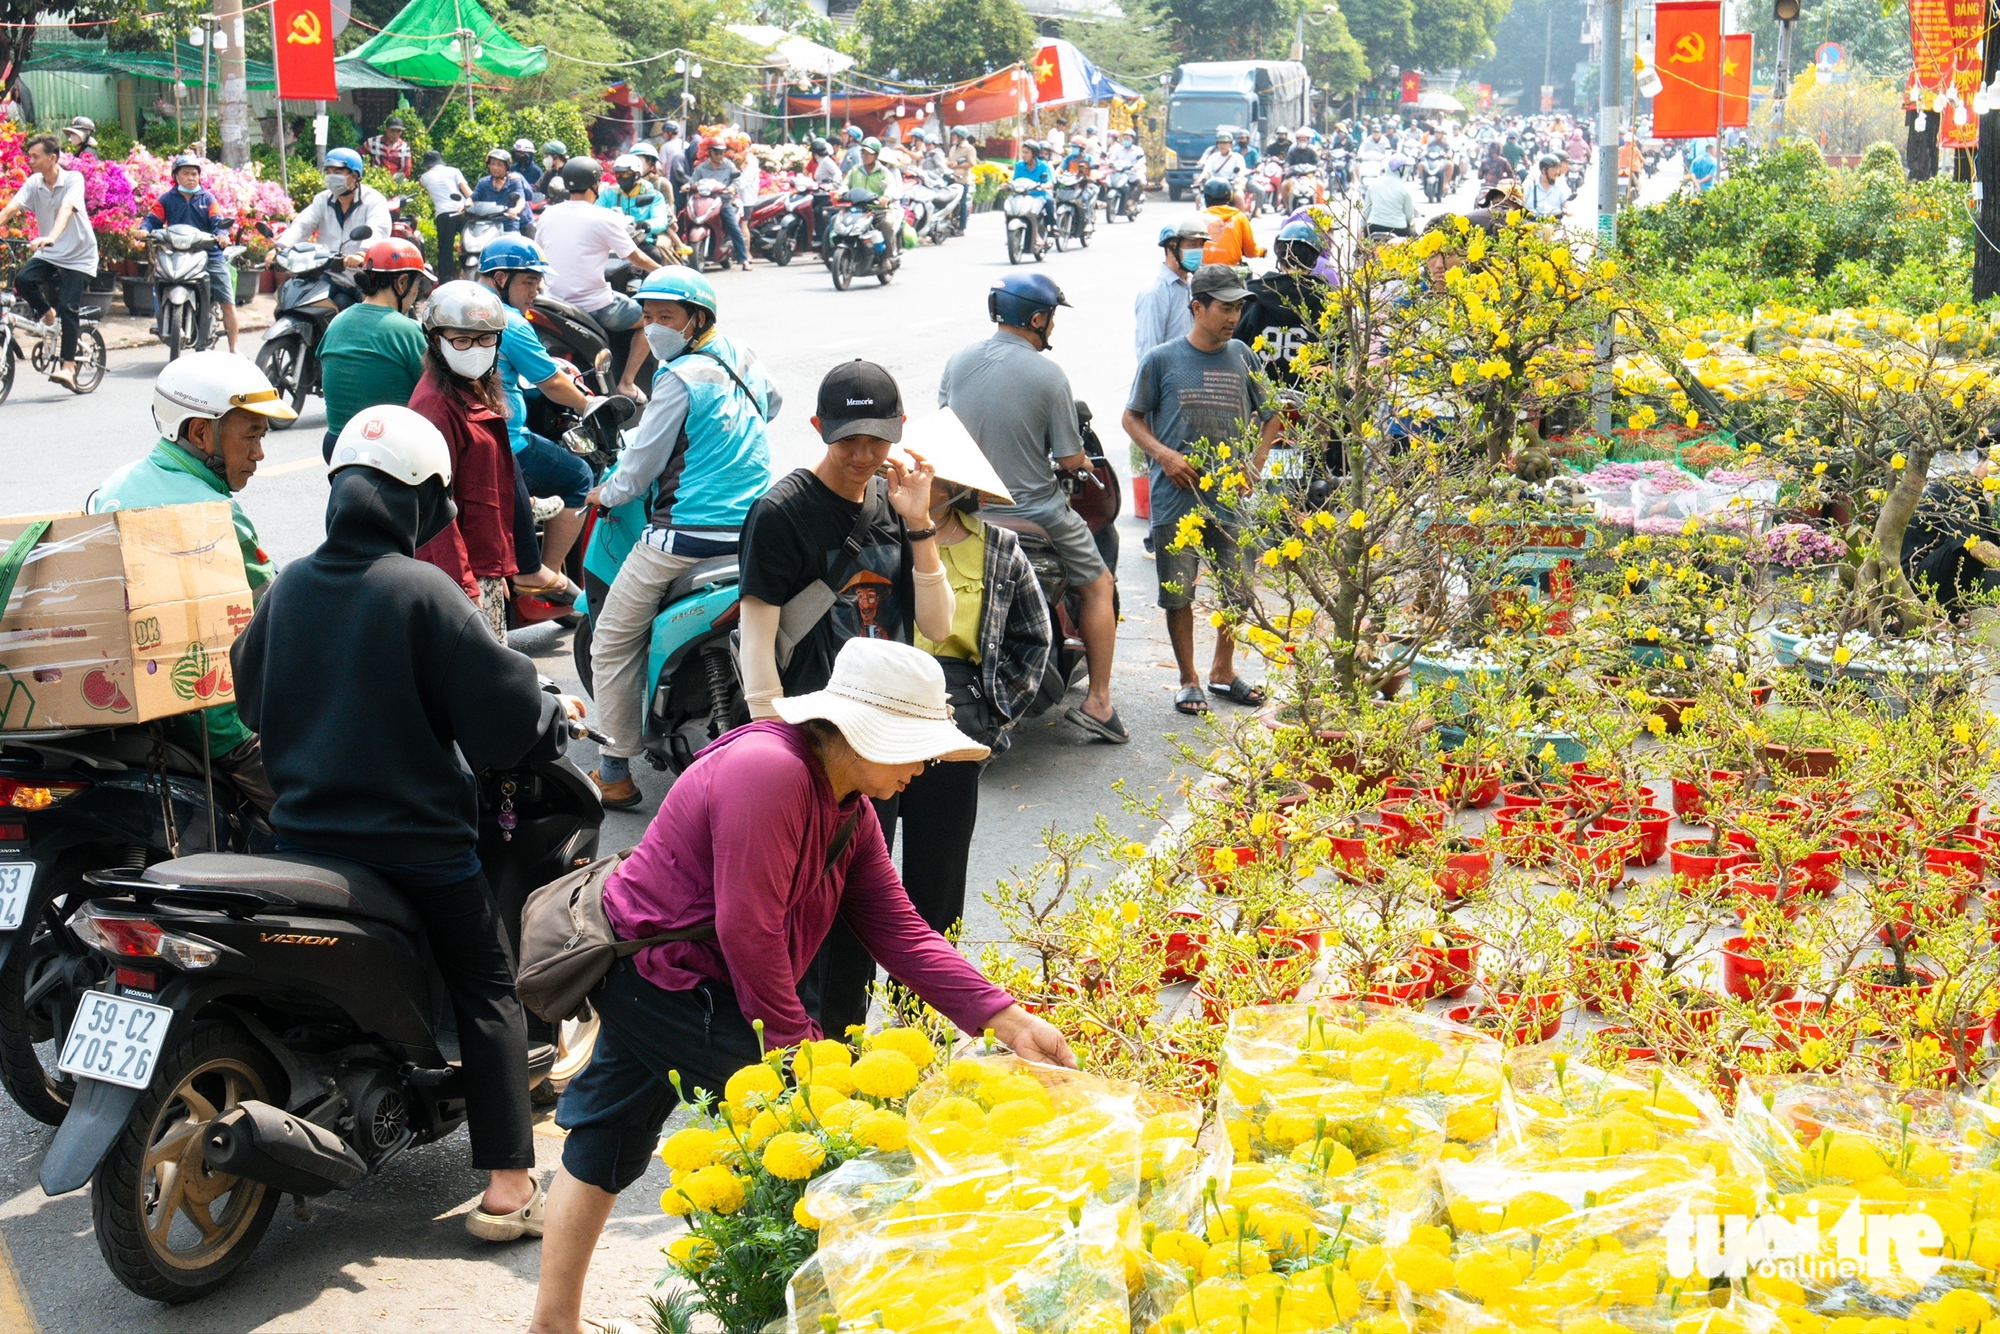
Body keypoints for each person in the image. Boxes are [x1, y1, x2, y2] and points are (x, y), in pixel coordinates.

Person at [527, 637, 1071, 1334]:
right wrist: (798, 1057)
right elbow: (749, 931)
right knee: (829, 1147)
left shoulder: (851, 808)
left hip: (684, 977)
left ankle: (551, 1324)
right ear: (863, 733)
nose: (924, 766)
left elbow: (900, 930)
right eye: (916, 749)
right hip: (666, 977)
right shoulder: (769, 772)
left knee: (608, 1135)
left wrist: (1009, 1021)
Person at [235, 403, 586, 1246]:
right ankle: (508, 1186)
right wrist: (552, 718)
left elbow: (250, 697)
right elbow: (503, 718)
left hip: (302, 843)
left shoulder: (290, 586)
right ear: (422, 500)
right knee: (489, 985)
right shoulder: (424, 591)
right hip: (418, 851)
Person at [736, 361, 957, 1038]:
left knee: (860, 906)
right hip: (815, 744)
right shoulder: (781, 512)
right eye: (848, 440)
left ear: (900, 430)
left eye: (877, 439)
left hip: (882, 743)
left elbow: (937, 624)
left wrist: (919, 524)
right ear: (818, 429)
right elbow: (757, 638)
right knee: (806, 911)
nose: (864, 455)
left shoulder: (896, 506)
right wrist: (773, 741)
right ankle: (800, 1048)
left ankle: (847, 1045)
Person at [585, 268, 778, 809]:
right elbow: (773, 404)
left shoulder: (677, 377)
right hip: (752, 532)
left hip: (686, 537)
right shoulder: (743, 356)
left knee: (612, 640)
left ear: (697, 319)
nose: (653, 328)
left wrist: (605, 493)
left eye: (665, 317)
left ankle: (614, 771)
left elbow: (639, 468)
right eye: (647, 317)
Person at [88, 352, 297, 810]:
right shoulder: (217, 514)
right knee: (316, 813)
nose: (259, 453)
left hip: (130, 706)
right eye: (251, 435)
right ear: (201, 432)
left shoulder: (113, 487)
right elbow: (274, 613)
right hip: (216, 721)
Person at [940, 274, 1125, 751]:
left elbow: (945, 429)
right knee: (1099, 585)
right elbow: (1068, 456)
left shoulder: (958, 361)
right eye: (1052, 318)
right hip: (1037, 514)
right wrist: (1083, 464)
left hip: (967, 511)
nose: (1053, 326)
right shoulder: (1049, 375)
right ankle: (1100, 703)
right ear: (1037, 318)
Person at [1124, 264, 1283, 719]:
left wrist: (1254, 464)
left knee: (1238, 589)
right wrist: (1165, 456)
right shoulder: (1161, 360)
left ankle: (1223, 669)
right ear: (1198, 307)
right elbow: (1132, 418)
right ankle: (1188, 678)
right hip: (1176, 497)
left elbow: (1272, 414)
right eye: (1225, 308)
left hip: (1230, 498)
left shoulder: (1243, 356)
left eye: (1238, 308)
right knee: (1178, 592)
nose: (1233, 317)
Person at [477, 237, 593, 591]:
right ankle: (546, 573)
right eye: (529, 281)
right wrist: (590, 406)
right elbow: (553, 382)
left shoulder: (459, 306)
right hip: (506, 442)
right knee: (580, 477)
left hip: (465, 434)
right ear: (501, 278)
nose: (536, 291)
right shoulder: (509, 322)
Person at [408, 281, 521, 637]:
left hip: (480, 564)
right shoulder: (435, 405)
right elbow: (434, 510)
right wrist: (467, 586)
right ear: (435, 340)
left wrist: (496, 569)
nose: (475, 349)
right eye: (461, 340)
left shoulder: (469, 388)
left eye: (485, 339)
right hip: (457, 577)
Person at [537, 157, 660, 400]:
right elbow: (635, 257)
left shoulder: (548, 214)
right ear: (595, 185)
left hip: (553, 303)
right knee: (652, 319)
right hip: (597, 306)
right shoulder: (603, 217)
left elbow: (540, 254)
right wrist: (664, 271)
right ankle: (626, 383)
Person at [316, 238, 435, 463]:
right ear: (402, 283)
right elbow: (436, 390)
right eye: (417, 285)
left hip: (336, 446)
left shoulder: (337, 323)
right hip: (389, 449)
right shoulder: (407, 330)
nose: (416, 293)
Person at [0, 133, 96, 389]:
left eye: (35, 156)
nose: (30, 161)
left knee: (68, 306)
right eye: (29, 156)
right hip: (50, 250)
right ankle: (46, 314)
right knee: (23, 279)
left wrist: (52, 236)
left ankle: (68, 367)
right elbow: (12, 207)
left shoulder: (73, 179)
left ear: (52, 158)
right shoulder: (34, 182)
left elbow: (66, 209)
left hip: (78, 254)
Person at [140, 153, 240, 354]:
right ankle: (162, 318)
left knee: (227, 303)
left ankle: (234, 348)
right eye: (186, 173)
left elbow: (218, 222)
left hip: (209, 255)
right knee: (159, 280)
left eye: (194, 174)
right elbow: (152, 220)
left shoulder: (208, 199)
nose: (191, 178)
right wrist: (144, 230)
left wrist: (222, 236)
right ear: (176, 176)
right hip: (176, 254)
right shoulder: (167, 199)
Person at [279, 147, 390, 267]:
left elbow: (378, 230)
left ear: (354, 176)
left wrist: (362, 254)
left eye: (337, 173)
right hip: (326, 271)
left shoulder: (374, 200)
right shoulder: (322, 200)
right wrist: (280, 247)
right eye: (328, 173)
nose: (331, 177)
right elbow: (302, 225)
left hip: (359, 272)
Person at [1136, 217, 1208, 358]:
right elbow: (1148, 352)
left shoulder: (1193, 285)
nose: (1198, 251)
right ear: (1172, 246)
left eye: (1201, 245)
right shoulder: (1155, 293)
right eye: (1192, 245)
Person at [688, 137, 751, 270]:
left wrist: (732, 187)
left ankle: (743, 259)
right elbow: (692, 182)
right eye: (716, 152)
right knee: (685, 219)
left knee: (734, 227)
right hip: (704, 201)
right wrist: (687, 186)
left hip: (723, 202)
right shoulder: (701, 168)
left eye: (722, 152)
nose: (719, 155)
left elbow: (737, 180)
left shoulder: (729, 165)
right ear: (710, 152)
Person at [845, 137, 902, 267]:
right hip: (858, 210)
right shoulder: (855, 170)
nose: (865, 157)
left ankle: (887, 256)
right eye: (863, 153)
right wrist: (841, 193)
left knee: (886, 224)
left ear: (876, 156)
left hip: (878, 210)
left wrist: (886, 197)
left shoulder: (884, 172)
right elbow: (845, 184)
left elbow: (891, 186)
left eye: (868, 154)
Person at [598, 154, 672, 248]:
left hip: (641, 242)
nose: (621, 178)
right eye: (618, 174)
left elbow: (661, 220)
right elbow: (595, 213)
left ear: (637, 175)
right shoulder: (608, 194)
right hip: (612, 242)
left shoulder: (654, 196)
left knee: (655, 253)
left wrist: (647, 225)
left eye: (625, 174)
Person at [418, 149, 471, 276]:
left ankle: (446, 278)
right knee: (469, 245)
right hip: (462, 210)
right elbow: (466, 190)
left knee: (445, 249)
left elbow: (420, 185)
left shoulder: (425, 177)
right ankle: (469, 273)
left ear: (427, 165)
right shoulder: (454, 171)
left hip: (444, 214)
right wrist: (471, 204)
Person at [1198, 177, 1261, 265]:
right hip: (1231, 269)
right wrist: (1262, 251)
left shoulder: (1198, 218)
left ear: (1206, 197)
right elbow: (1251, 252)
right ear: (1230, 197)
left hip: (1202, 269)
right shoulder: (1239, 217)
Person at [474, 147, 531, 234]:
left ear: (506, 167)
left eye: (499, 165)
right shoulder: (483, 183)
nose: (495, 168)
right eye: (492, 164)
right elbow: (473, 198)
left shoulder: (514, 181)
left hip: (509, 228)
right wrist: (465, 205)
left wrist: (516, 209)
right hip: (486, 228)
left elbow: (521, 201)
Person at [1363, 156, 1419, 238]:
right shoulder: (1405, 189)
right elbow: (1409, 217)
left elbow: (1366, 212)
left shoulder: (1373, 185)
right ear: (1401, 169)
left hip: (1373, 228)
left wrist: (1361, 228)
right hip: (1399, 230)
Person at [1193, 127, 1246, 195]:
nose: (1222, 145)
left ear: (1231, 144)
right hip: (1215, 187)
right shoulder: (1213, 157)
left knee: (1239, 196)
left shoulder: (1238, 157)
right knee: (1199, 198)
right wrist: (1200, 179)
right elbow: (1207, 171)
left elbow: (1241, 172)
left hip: (1231, 187)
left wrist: (1238, 179)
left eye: (1225, 143)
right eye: (1220, 143)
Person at [1524, 153, 1571, 219]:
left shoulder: (1560, 185)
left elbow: (1566, 201)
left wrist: (1568, 210)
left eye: (1558, 169)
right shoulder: (1530, 184)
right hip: (1531, 222)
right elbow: (1519, 201)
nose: (1557, 172)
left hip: (1555, 222)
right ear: (1544, 170)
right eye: (1554, 169)